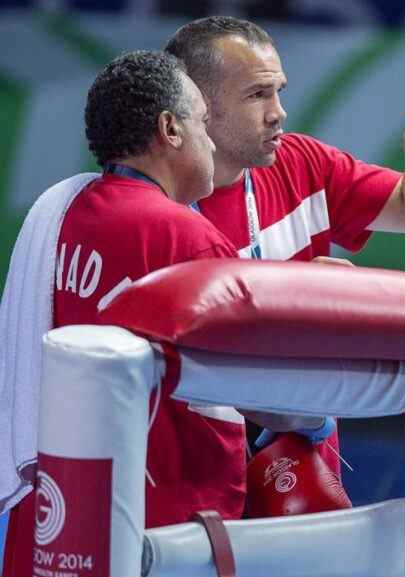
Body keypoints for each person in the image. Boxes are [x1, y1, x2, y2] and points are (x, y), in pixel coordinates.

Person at [164, 16, 405, 476]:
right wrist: (304, 294)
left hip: (303, 456)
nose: (278, 112)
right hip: (199, 463)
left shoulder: (301, 162)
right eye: (257, 95)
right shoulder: (155, 203)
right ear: (198, 105)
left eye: (279, 91)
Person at [0, 50, 244, 577]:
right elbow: (238, 389)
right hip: (160, 523)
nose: (212, 140)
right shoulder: (192, 239)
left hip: (57, 509)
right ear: (170, 129)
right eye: (203, 122)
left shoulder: (57, 219)